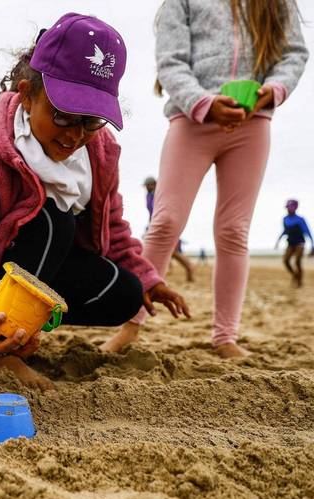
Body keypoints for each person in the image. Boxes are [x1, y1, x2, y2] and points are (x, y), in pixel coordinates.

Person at [0, 14, 189, 390]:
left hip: (32, 260)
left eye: (91, 122)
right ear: (26, 93)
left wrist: (149, 279)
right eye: (64, 117)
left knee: (126, 293)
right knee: (52, 221)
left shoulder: (98, 153)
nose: (75, 135)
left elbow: (112, 226)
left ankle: (20, 324)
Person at [107, 0, 308, 359]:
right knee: (165, 221)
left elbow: (294, 53)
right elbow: (171, 61)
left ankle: (225, 336)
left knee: (233, 230)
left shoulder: (277, 3)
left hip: (253, 124)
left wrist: (273, 89)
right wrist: (203, 102)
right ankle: (131, 324)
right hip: (191, 119)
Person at [144, 176, 194, 282]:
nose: (146, 187)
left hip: (164, 225)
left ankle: (189, 268)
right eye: (146, 186)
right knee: (165, 251)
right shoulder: (149, 195)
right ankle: (160, 273)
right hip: (155, 224)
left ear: (154, 184)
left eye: (148, 185)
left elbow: (167, 211)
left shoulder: (160, 194)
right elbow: (151, 213)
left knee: (172, 252)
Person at [275, 199, 313, 287]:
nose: (288, 209)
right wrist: (278, 241)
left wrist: (312, 245)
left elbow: (307, 232)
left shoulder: (300, 219)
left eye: (290, 207)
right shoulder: (285, 219)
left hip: (300, 243)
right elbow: (285, 231)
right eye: (287, 207)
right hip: (290, 243)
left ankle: (299, 282)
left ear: (295, 207)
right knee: (285, 260)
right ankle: (295, 275)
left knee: (297, 262)